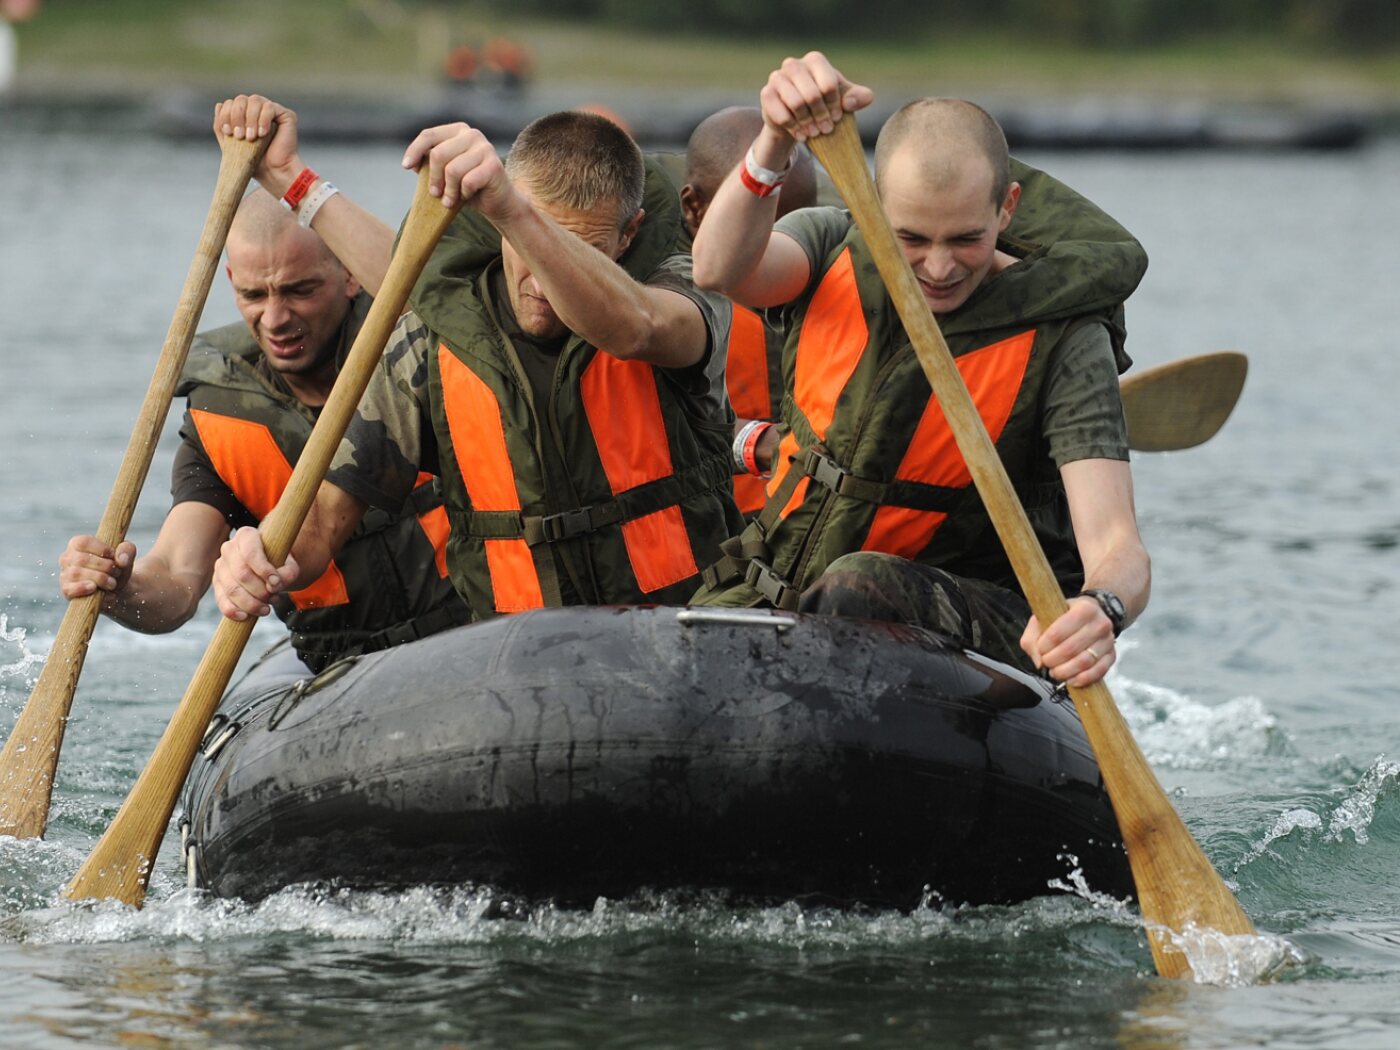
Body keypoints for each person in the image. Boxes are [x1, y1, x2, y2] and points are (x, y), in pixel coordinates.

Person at [689, 52, 1151, 688]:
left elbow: (1117, 547)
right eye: (911, 240)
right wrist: (774, 141)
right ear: (875, 207)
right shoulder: (827, 245)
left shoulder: (1068, 336)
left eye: (966, 239)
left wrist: (1101, 608)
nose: (938, 267)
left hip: (978, 615)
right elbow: (718, 270)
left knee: (858, 583)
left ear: (1007, 209)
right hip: (787, 592)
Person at [208, 96, 741, 624]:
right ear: (494, 232)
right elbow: (322, 519)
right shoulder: (431, 342)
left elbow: (638, 328)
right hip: (519, 651)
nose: (541, 280)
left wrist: (516, 214)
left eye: (578, 248)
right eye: (523, 244)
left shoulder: (686, 291)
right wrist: (259, 557)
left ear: (629, 234)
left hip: (679, 630)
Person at [59, 189, 468, 672]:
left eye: (300, 290)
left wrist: (294, 177)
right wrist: (121, 588)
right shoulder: (222, 415)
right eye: (254, 294)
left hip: (473, 634)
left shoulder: (424, 352)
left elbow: (426, 290)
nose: (275, 319)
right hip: (341, 669)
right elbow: (176, 576)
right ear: (232, 281)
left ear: (351, 275)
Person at [681, 106, 817, 518]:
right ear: (694, 208)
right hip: (712, 532)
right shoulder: (654, 299)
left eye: (806, 224)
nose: (788, 247)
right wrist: (757, 441)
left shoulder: (832, 276)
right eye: (768, 228)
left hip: (806, 530)